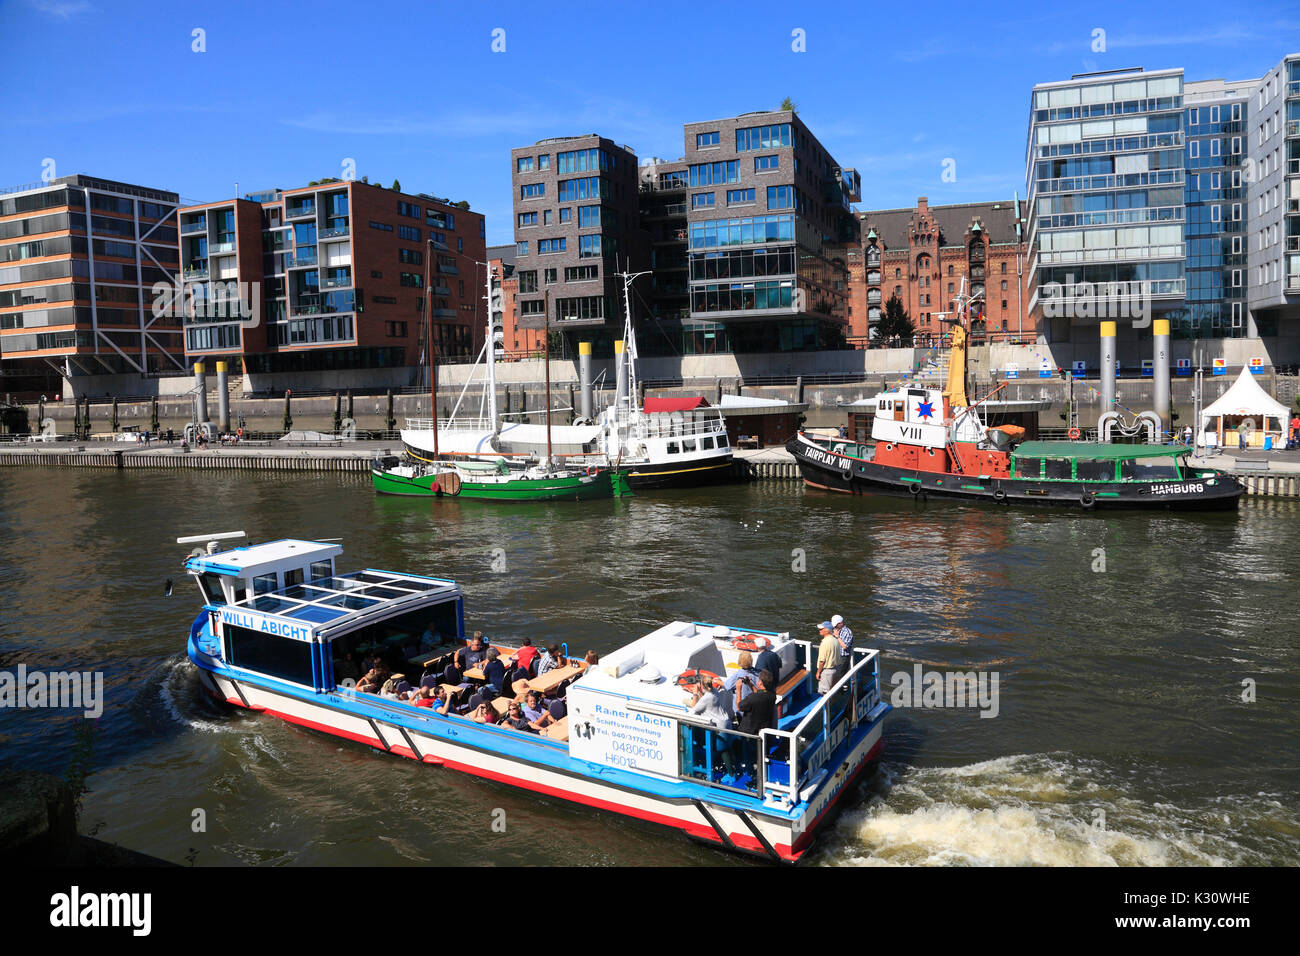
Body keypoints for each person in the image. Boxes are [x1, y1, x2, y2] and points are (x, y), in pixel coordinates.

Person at [735, 670, 776, 736]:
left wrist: (738, 689)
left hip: (748, 734)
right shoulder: (772, 695)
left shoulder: (752, 698)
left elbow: (738, 707)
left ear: (760, 683)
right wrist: (750, 684)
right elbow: (760, 694)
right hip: (762, 732)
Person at [815, 622, 842, 694]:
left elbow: (822, 661)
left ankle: (826, 705)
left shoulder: (824, 643)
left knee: (825, 693)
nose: (819, 630)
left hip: (827, 672)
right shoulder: (835, 640)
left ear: (827, 630)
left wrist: (818, 672)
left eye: (821, 629)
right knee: (833, 692)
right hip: (837, 669)